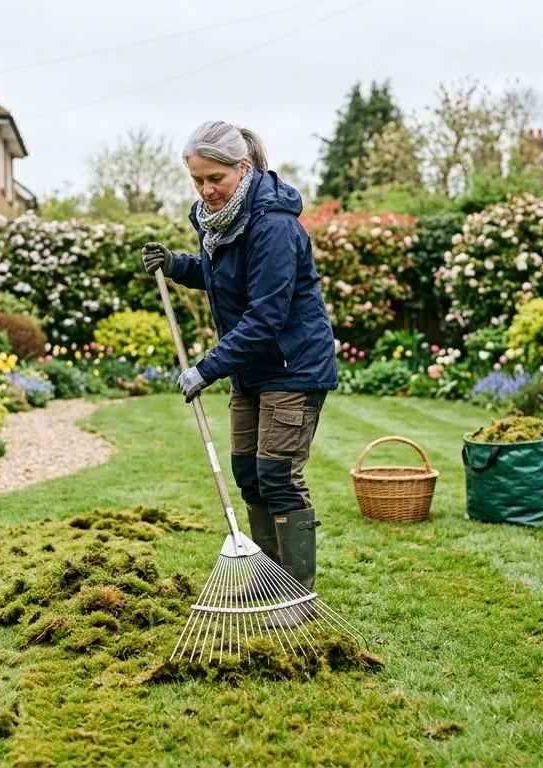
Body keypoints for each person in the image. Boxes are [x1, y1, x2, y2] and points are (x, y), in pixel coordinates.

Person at [141, 120, 337, 622]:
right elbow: (223, 277)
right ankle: (268, 579)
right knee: (248, 473)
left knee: (278, 476)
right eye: (197, 180)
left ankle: (297, 597)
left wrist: (207, 368)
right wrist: (178, 264)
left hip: (292, 366)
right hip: (252, 368)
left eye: (215, 179)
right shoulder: (220, 221)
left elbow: (266, 316)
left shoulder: (272, 225)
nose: (206, 190)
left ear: (242, 168)